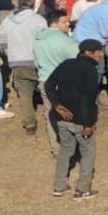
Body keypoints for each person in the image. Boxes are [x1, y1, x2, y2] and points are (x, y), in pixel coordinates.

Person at [44, 39, 104, 200]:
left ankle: (59, 186)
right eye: (99, 52)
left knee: (65, 150)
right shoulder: (90, 71)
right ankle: (82, 190)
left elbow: (48, 84)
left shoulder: (66, 64)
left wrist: (56, 105)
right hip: (80, 120)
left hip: (62, 118)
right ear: (91, 53)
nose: (101, 54)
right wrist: (88, 124)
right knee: (88, 151)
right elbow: (87, 99)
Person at [0, 0, 47, 136]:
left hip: (18, 62)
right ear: (33, 4)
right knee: (46, 90)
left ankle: (30, 124)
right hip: (37, 61)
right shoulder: (39, 20)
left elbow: (3, 43)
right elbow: (44, 41)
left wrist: (12, 57)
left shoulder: (7, 20)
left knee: (25, 95)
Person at [34, 11, 77, 157]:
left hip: (45, 81)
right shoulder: (65, 41)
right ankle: (71, 147)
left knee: (51, 115)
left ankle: (56, 149)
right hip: (64, 83)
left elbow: (36, 62)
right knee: (70, 115)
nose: (68, 24)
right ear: (54, 23)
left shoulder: (37, 40)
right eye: (64, 21)